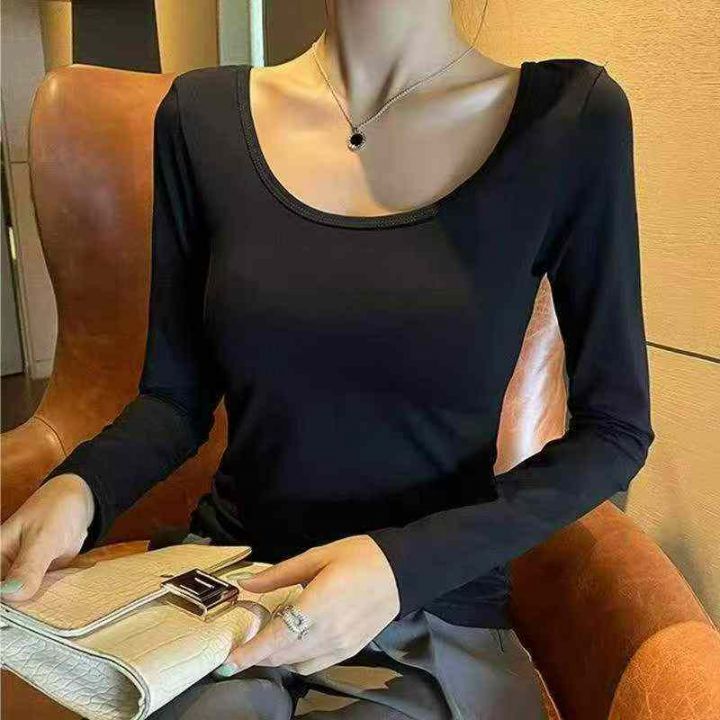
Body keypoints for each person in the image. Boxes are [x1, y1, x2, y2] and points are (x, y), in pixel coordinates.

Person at [0, 1, 655, 717]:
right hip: (236, 584)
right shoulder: (201, 119)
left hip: (429, 601)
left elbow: (614, 430)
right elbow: (175, 399)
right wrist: (81, 489)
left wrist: (401, 567)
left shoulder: (569, 121)